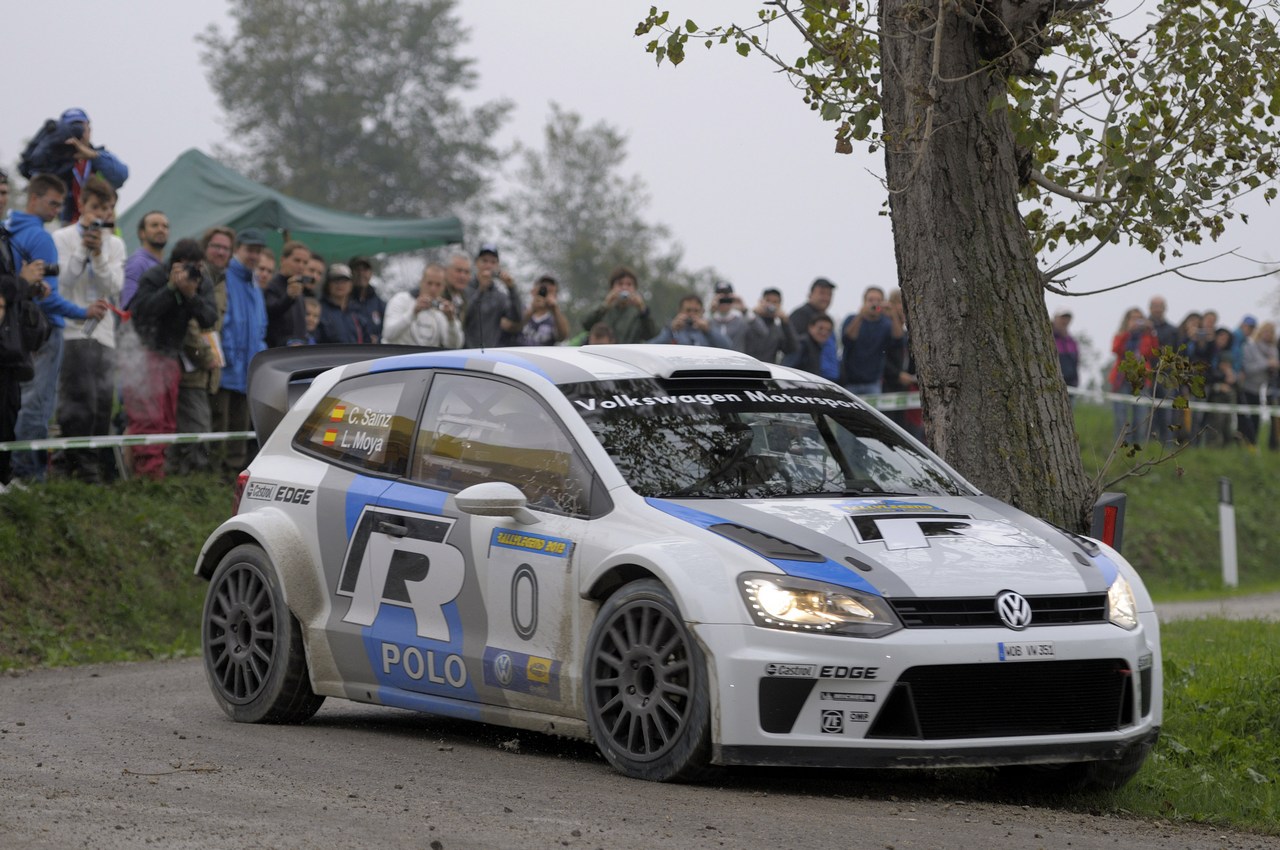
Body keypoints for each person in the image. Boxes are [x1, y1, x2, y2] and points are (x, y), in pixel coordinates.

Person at [5, 174, 108, 482]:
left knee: (21, 402)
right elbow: (48, 297)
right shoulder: (41, 237)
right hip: (44, 330)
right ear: (33, 199)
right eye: (52, 202)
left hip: (18, 332)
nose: (56, 209)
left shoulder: (10, 232)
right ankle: (29, 476)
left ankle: (15, 472)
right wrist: (81, 311)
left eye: (61, 204)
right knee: (37, 406)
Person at [51, 176, 125, 482]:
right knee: (79, 401)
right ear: (81, 205)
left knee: (102, 402)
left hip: (105, 334)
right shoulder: (62, 237)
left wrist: (98, 255)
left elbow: (115, 287)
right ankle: (77, 464)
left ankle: (90, 463)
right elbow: (64, 284)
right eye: (94, 207)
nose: (99, 215)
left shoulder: (115, 243)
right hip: (73, 331)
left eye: (105, 209)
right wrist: (83, 249)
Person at [125, 239, 218, 479]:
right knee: (148, 420)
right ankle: (146, 474)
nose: (194, 272)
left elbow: (209, 318)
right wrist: (170, 289)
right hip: (144, 353)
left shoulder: (200, 281)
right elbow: (141, 314)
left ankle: (157, 473)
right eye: (189, 266)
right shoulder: (155, 276)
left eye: (198, 266)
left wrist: (190, 295)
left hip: (171, 358)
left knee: (166, 420)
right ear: (176, 264)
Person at [169, 226, 232, 475]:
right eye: (216, 246)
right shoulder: (196, 277)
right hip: (191, 364)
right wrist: (206, 356)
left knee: (196, 427)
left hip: (207, 367)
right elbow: (191, 324)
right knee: (196, 428)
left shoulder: (221, 280)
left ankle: (185, 480)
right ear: (205, 250)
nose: (221, 252)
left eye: (226, 248)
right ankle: (189, 483)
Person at [212, 228, 268, 477]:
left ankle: (232, 474)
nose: (254, 256)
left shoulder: (255, 284)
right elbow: (225, 323)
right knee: (219, 423)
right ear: (238, 250)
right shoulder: (225, 277)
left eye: (258, 251)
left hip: (247, 371)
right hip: (226, 367)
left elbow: (260, 326)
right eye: (249, 250)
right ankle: (212, 474)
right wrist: (229, 357)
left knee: (240, 426)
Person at [21, 109, 129, 224]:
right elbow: (31, 173)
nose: (78, 133)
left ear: (90, 130)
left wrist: (94, 156)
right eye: (72, 128)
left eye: (81, 128)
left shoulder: (100, 158)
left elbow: (121, 176)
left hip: (100, 227)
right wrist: (47, 139)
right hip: (68, 229)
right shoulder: (55, 163)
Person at [840, 285, 902, 396]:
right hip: (850, 382)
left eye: (878, 300)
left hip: (873, 382)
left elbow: (898, 340)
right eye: (871, 300)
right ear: (864, 302)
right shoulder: (851, 319)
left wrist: (893, 314)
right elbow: (848, 340)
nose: (874, 304)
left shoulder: (886, 324)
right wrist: (860, 315)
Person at [382, 264, 462, 348]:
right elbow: (388, 334)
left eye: (438, 285)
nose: (433, 289)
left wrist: (451, 321)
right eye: (429, 283)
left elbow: (455, 345)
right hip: (397, 358)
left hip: (428, 360)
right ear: (421, 282)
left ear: (444, 287)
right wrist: (413, 313)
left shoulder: (444, 310)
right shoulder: (401, 299)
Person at [1109, 308, 1157, 443]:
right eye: (1133, 318)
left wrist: (1151, 331)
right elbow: (1116, 349)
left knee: (1140, 416)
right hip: (1121, 379)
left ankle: (1138, 448)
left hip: (1141, 379)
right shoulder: (1121, 335)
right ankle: (1120, 447)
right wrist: (1127, 332)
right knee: (1120, 416)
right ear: (1127, 320)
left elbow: (1154, 352)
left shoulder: (1147, 336)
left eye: (1139, 318)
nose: (1136, 321)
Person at [461, 244, 522, 348]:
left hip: (489, 355)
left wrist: (512, 288)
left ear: (497, 266)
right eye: (484, 261)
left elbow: (516, 318)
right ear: (477, 263)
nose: (488, 266)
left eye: (493, 262)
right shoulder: (465, 288)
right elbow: (465, 318)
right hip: (464, 353)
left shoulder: (499, 296)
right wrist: (481, 290)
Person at [581, 267, 657, 344]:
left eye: (629, 284)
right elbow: (586, 325)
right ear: (612, 288)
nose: (624, 288)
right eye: (620, 284)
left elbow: (651, 334)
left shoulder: (639, 314)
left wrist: (642, 309)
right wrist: (605, 305)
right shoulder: (604, 311)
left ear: (635, 289)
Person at [787, 278, 839, 381]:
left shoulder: (827, 318)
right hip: (807, 379)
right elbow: (793, 348)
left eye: (829, 294)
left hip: (828, 379)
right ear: (810, 294)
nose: (826, 298)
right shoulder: (800, 315)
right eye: (822, 293)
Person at [264, 240, 314, 347]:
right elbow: (270, 312)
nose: (301, 266)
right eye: (297, 260)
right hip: (277, 353)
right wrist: (288, 297)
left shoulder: (299, 289)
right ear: (283, 260)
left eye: (305, 262)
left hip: (297, 353)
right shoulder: (271, 285)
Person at [1237, 321, 1278, 448]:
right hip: (1245, 387)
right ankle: (1241, 444)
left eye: (1271, 332)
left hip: (1260, 389)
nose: (1268, 334)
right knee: (1244, 419)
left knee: (1257, 420)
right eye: (1266, 331)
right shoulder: (1250, 347)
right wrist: (1267, 364)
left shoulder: (1273, 350)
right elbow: (1248, 369)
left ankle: (1252, 446)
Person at [649, 294, 734, 347]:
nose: (692, 314)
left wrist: (708, 330)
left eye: (696, 311)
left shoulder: (708, 329)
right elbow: (651, 346)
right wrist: (671, 330)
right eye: (688, 310)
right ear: (680, 311)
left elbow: (727, 346)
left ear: (702, 312)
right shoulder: (671, 329)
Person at [122, 210, 168, 308]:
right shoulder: (137, 263)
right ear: (142, 233)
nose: (161, 229)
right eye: (154, 225)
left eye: (165, 226)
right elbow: (128, 305)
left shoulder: (166, 265)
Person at [315, 263, 369, 344]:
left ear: (351, 284)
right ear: (328, 284)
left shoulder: (358, 311)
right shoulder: (318, 309)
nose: (339, 284)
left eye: (344, 281)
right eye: (335, 280)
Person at [743, 288, 797, 364]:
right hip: (745, 366)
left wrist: (785, 322)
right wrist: (753, 313)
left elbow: (792, 349)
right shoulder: (750, 321)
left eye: (775, 302)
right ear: (761, 302)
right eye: (768, 301)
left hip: (767, 369)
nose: (770, 306)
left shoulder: (778, 330)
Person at [518, 275, 569, 346]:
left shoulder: (555, 319)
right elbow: (512, 326)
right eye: (542, 288)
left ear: (555, 296)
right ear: (532, 291)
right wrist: (532, 309)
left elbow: (562, 336)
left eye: (550, 291)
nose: (545, 292)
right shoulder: (521, 309)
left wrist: (555, 309)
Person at [786, 312, 837, 379]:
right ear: (811, 327)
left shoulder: (818, 346)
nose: (824, 332)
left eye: (828, 330)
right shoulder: (802, 344)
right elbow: (789, 369)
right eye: (820, 328)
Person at [348, 257, 386, 343]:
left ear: (371, 273)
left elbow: (389, 330)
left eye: (365, 270)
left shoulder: (379, 303)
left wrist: (378, 340)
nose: (361, 273)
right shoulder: (343, 301)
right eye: (357, 270)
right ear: (350, 273)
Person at [707, 281, 749, 351]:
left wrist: (745, 310)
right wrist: (711, 311)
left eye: (727, 298)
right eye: (720, 298)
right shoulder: (710, 321)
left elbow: (761, 332)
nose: (724, 301)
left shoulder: (740, 321)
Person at [1052, 309, 1080, 390]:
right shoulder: (1049, 338)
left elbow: (1076, 362)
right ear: (1055, 318)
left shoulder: (1072, 342)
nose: (1065, 321)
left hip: (1070, 385)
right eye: (1062, 318)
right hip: (1053, 383)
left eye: (1067, 318)